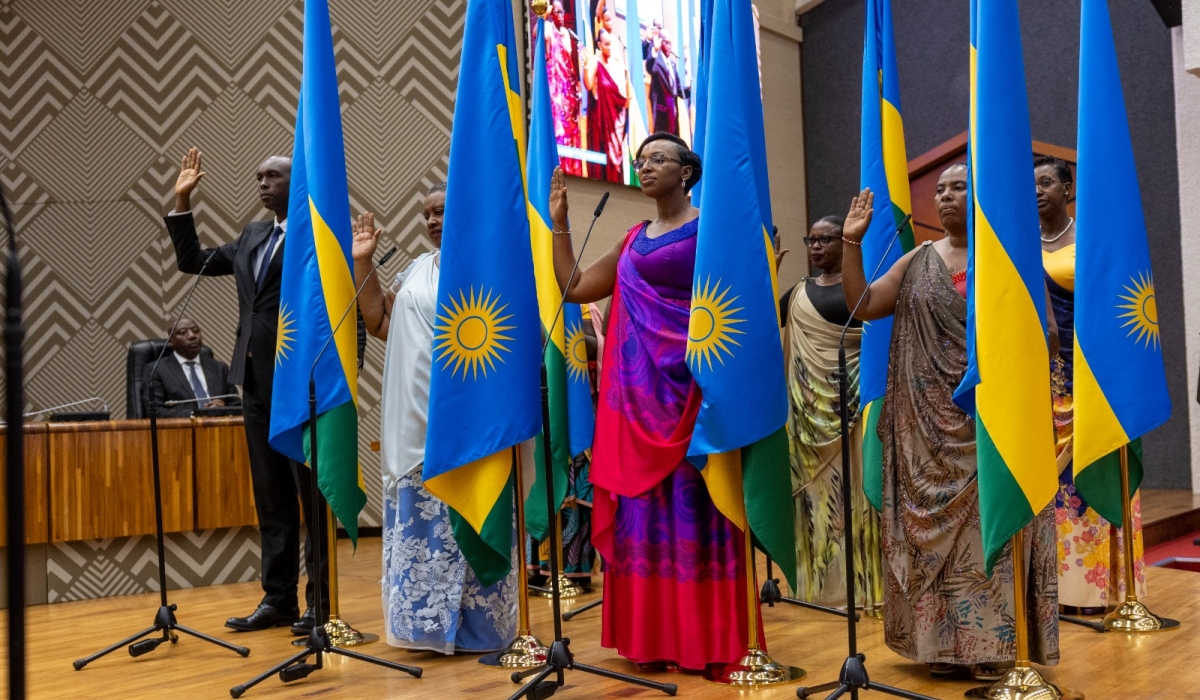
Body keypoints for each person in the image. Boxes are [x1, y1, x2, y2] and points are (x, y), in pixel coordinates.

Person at [840, 164, 1059, 680]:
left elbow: (1045, 332)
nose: (945, 197)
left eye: (958, 187)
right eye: (938, 189)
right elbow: (864, 305)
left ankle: (993, 646)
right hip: (925, 430)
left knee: (990, 529)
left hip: (988, 421)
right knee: (933, 537)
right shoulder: (917, 259)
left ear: (980, 193)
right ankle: (938, 645)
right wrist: (853, 244)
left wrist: (1005, 371)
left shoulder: (1007, 255)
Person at [550, 132, 758, 671]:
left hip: (691, 394)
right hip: (635, 403)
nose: (645, 167)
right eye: (640, 160)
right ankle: (652, 640)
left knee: (695, 510)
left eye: (658, 159)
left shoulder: (709, 228)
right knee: (643, 517)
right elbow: (573, 287)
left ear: (687, 171)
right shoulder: (632, 236)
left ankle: (702, 639)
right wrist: (560, 224)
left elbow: (735, 298)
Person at [165, 148, 328, 635]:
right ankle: (278, 599)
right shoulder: (253, 235)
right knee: (271, 498)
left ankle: (321, 602)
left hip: (301, 384)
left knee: (310, 498)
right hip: (254, 383)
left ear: (295, 182)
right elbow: (192, 260)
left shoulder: (316, 236)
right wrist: (181, 199)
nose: (262, 183)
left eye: (273, 176)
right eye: (258, 176)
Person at [353, 185, 517, 654]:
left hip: (472, 422)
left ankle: (478, 630)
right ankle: (423, 628)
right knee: (425, 521)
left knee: (472, 512)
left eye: (441, 211)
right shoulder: (418, 269)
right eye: (426, 213)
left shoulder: (492, 265)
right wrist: (363, 262)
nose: (432, 221)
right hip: (415, 417)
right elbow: (380, 322)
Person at [1035, 155, 1145, 612]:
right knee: (1050, 488)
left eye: (1045, 182)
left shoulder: (1092, 237)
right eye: (1030, 185)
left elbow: (1116, 305)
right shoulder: (1014, 243)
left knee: (1090, 479)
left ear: (1068, 189)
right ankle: (1056, 592)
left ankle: (1099, 590)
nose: (1036, 191)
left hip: (1092, 379)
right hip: (1041, 382)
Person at [784, 216, 883, 614]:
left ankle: (863, 591)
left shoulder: (865, 290)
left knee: (857, 496)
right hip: (807, 417)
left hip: (857, 409)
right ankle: (817, 591)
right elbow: (760, 326)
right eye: (811, 239)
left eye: (826, 239)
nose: (816, 246)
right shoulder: (796, 293)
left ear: (846, 242)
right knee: (813, 504)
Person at [142, 317, 240, 418]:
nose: (192, 336)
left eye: (196, 331)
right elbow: (154, 411)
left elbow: (237, 406)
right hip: (179, 431)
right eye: (183, 332)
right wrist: (195, 413)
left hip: (219, 430)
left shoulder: (219, 368)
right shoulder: (156, 370)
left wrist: (223, 409)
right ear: (171, 341)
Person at [585, 29, 628, 183]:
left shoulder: (615, 64)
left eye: (610, 44)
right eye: (606, 44)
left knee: (615, 160)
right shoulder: (595, 61)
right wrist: (585, 66)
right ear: (599, 45)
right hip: (600, 120)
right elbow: (589, 85)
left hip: (613, 119)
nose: (609, 47)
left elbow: (619, 94)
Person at [546, 2, 583, 176]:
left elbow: (570, 64)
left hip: (568, 89)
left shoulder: (567, 35)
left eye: (563, 11)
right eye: (557, 11)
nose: (561, 15)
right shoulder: (548, 28)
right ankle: (558, 166)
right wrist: (544, 15)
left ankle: (570, 167)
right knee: (558, 127)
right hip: (555, 88)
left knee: (570, 130)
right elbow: (538, 35)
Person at [646, 37, 684, 135]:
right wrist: (655, 50)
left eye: (670, 44)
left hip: (673, 111)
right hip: (662, 112)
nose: (669, 47)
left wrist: (689, 90)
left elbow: (678, 88)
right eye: (666, 43)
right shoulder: (656, 61)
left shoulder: (672, 63)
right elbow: (649, 67)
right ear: (661, 43)